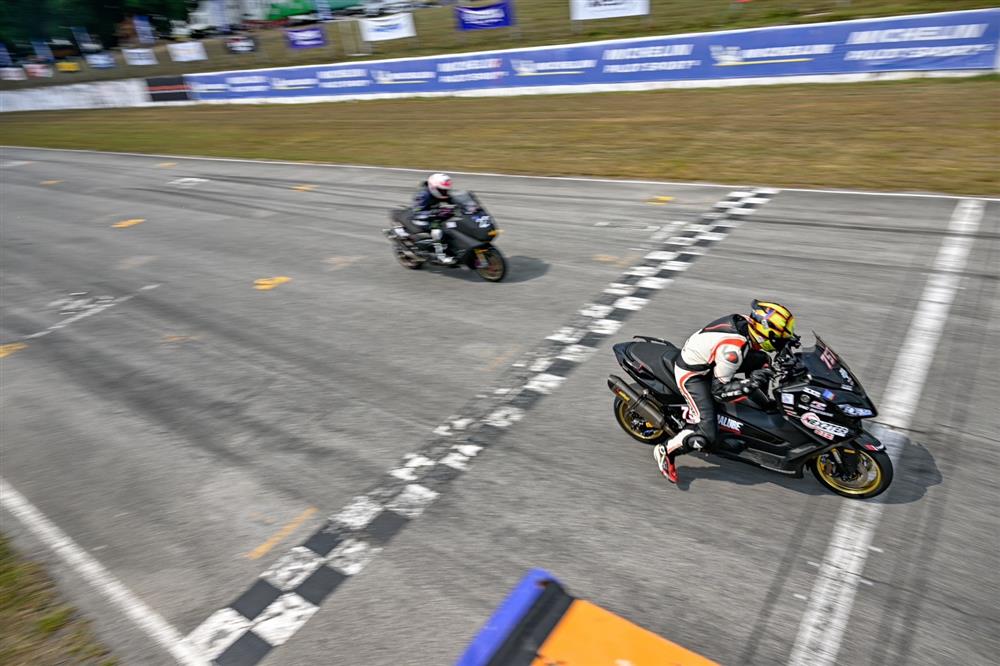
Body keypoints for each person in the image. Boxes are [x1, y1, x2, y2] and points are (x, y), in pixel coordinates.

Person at [653, 300, 797, 483]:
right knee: (706, 435)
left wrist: (788, 344)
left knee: (762, 361)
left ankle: (761, 407)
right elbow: (719, 392)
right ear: (764, 333)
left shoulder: (749, 326)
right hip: (694, 375)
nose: (785, 338)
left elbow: (765, 350)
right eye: (781, 336)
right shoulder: (733, 351)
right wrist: (751, 383)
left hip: (712, 360)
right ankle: (666, 450)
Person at [409, 173, 457, 264]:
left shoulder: (441, 192)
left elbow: (452, 200)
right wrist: (435, 212)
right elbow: (416, 212)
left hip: (434, 215)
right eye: (442, 190)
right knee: (437, 231)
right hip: (421, 218)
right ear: (433, 187)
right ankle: (440, 257)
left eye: (446, 190)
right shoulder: (423, 195)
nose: (445, 192)